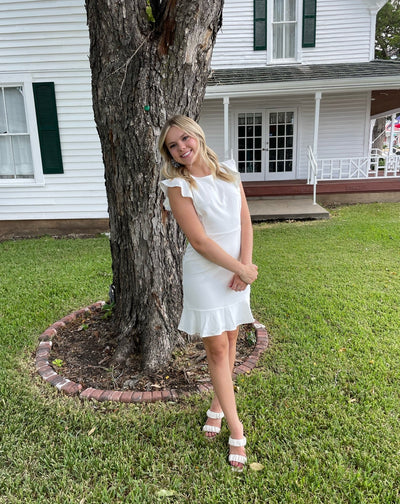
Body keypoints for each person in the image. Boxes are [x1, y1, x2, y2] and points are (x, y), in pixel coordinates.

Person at [158, 115, 258, 472]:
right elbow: (198, 241)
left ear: (197, 135)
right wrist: (238, 268)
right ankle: (237, 429)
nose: (183, 147)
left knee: (232, 339)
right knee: (216, 348)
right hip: (206, 273)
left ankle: (218, 405)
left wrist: (245, 267)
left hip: (236, 271)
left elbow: (245, 220)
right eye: (174, 144)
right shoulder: (177, 186)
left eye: (185, 138)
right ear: (169, 152)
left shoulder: (229, 170)